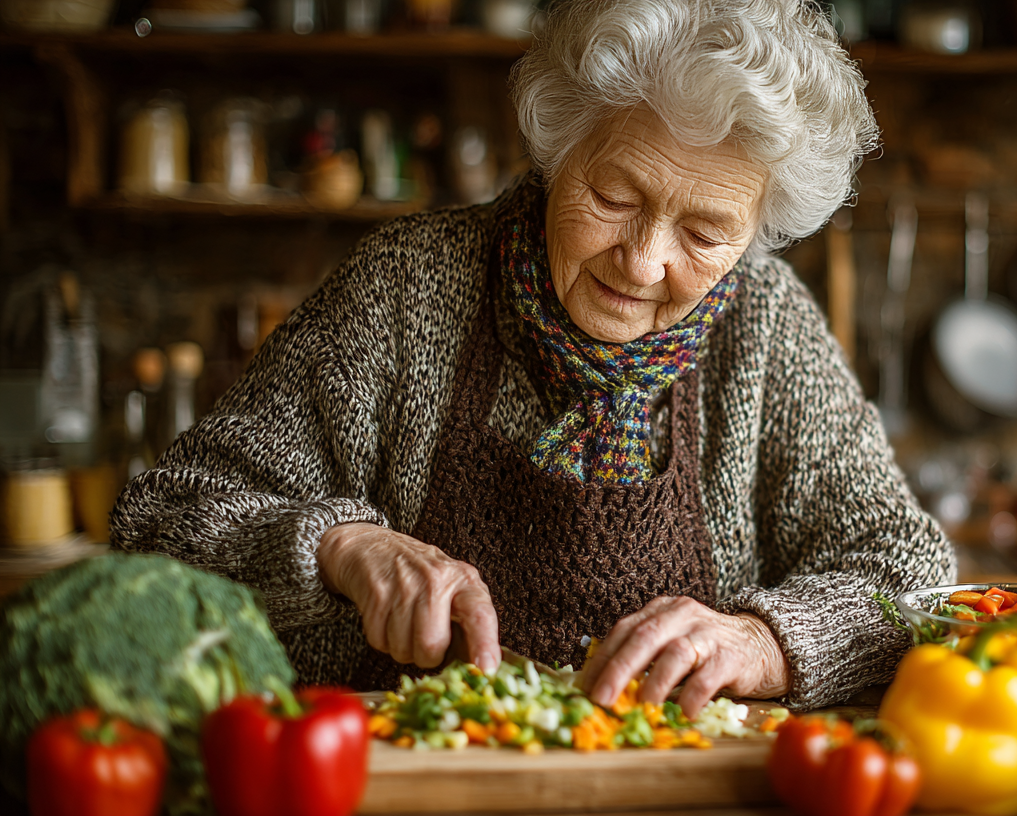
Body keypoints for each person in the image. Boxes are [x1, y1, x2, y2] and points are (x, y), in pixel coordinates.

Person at [111, 0, 954, 715]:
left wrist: (764, 641)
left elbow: (911, 578)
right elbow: (165, 519)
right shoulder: (408, 287)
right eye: (614, 198)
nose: (644, 260)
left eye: (704, 233)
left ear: (757, 231)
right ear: (560, 151)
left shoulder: (767, 327)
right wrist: (342, 547)